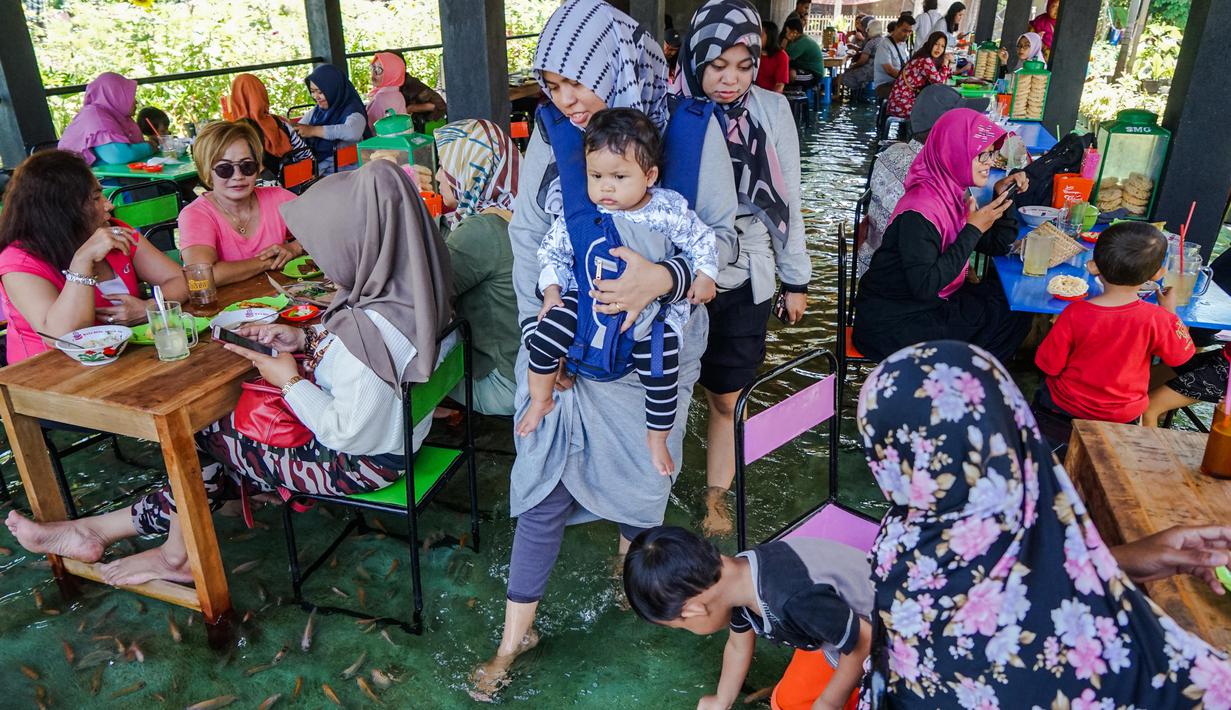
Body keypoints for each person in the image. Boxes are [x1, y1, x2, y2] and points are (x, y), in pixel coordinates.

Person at [4, 160, 455, 587]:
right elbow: (371, 372)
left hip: (360, 465)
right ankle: (104, 532)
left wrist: (289, 381)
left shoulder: (371, 327)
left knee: (199, 436)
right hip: (401, 438)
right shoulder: (412, 293)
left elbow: (345, 432)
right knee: (218, 447)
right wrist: (304, 342)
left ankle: (166, 553)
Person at [470, 0, 738, 699]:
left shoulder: (688, 129)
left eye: (571, 83)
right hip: (565, 359)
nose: (563, 101)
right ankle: (511, 636)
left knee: (642, 488)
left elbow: (728, 247)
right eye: (551, 87)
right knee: (538, 490)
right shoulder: (553, 133)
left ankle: (631, 583)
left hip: (652, 355)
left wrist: (663, 279)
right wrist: (542, 338)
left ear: (611, 65)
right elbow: (529, 238)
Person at [856, 339, 1231, 708]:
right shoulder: (1048, 654)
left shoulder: (902, 536)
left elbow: (1011, 584)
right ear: (1012, 422)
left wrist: (1114, 562)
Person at [517, 108, 719, 476]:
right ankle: (540, 399)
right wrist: (551, 291)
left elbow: (702, 240)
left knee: (661, 366)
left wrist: (705, 274)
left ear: (649, 176)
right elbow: (553, 251)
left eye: (619, 176)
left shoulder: (667, 210)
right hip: (586, 300)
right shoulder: (581, 213)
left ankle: (657, 437)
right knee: (546, 332)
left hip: (649, 314)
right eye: (595, 176)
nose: (605, 187)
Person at [680, 0, 810, 538]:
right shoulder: (673, 111)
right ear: (695, 60)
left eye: (743, 66)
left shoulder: (773, 111)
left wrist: (795, 277)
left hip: (749, 270)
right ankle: (643, 501)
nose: (730, 80)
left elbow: (790, 198)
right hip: (682, 274)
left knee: (727, 394)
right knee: (664, 389)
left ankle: (714, 497)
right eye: (717, 66)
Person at [624, 526, 872, 710]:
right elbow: (737, 645)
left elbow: (863, 640)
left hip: (885, 643)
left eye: (681, 627)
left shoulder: (789, 598)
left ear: (694, 611)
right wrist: (723, 698)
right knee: (784, 703)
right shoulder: (738, 577)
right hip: (834, 630)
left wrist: (829, 703)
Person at [852, 109, 1029, 363]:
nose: (990, 162)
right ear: (955, 152)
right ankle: (960, 387)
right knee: (1001, 319)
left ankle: (966, 382)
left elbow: (997, 244)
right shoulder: (921, 209)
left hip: (924, 305)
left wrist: (1004, 195)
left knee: (1010, 303)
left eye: (991, 154)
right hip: (892, 323)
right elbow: (925, 284)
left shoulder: (952, 193)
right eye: (983, 155)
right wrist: (973, 229)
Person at [0, 150, 188, 364]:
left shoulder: (114, 233)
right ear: (61, 209)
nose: (109, 205)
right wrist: (82, 262)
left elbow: (182, 280)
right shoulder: (19, 261)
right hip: (49, 376)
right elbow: (60, 336)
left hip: (125, 361)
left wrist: (149, 308)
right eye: (96, 198)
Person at [1034, 223, 1194, 440]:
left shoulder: (1075, 313)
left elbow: (1048, 365)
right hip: (1121, 418)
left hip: (1063, 410)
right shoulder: (1159, 319)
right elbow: (1181, 355)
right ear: (1159, 274)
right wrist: (1171, 312)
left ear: (1093, 266)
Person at [434, 118, 522, 417]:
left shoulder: (482, 229)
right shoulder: (516, 210)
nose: (436, 176)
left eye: (444, 169)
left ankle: (423, 415)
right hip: (531, 366)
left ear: (466, 173)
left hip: (503, 383)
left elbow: (426, 287)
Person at [862, 85, 988, 274]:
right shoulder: (938, 176)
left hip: (871, 265)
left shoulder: (890, 152)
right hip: (902, 281)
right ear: (946, 130)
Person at [178, 121, 303, 286]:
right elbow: (201, 276)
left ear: (258, 167)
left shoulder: (279, 198)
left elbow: (328, 230)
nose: (238, 176)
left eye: (247, 166)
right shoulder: (195, 214)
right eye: (225, 169)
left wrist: (294, 248)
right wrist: (266, 262)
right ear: (207, 171)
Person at [223, 74, 314, 180]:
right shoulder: (281, 123)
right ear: (262, 95)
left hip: (254, 191)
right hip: (291, 184)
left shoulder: (232, 133)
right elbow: (306, 155)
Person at [57, 72, 155, 166]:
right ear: (116, 96)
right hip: (78, 180)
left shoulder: (117, 116)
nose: (136, 102)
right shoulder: (96, 117)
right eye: (130, 96)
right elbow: (118, 156)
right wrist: (150, 147)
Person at [295, 64, 371, 175]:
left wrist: (313, 131)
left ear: (333, 89)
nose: (316, 96)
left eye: (320, 92)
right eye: (313, 91)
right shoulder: (317, 111)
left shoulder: (353, 110)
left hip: (348, 174)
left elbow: (352, 132)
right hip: (320, 171)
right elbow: (300, 127)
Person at [886, 32, 953, 120]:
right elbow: (939, 84)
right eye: (936, 44)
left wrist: (948, 65)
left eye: (942, 46)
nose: (939, 49)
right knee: (937, 111)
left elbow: (944, 77)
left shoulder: (924, 56)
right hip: (900, 104)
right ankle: (921, 134)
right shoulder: (925, 61)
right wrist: (945, 63)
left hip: (899, 101)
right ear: (930, 44)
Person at [396, 64, 448, 133]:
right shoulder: (402, 83)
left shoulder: (410, 84)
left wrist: (411, 108)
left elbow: (438, 105)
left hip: (429, 123)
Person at [365, 52, 408, 131]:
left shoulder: (380, 97)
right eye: (373, 67)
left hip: (380, 142)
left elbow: (367, 128)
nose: (373, 74)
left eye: (378, 69)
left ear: (391, 73)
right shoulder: (398, 94)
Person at [839, 19, 883, 96]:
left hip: (870, 71)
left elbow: (862, 61)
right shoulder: (883, 40)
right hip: (879, 71)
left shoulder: (871, 43)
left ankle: (836, 95)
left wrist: (852, 67)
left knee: (844, 75)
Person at [782, 18, 825, 91]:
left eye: (787, 31)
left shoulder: (802, 42)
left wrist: (785, 39)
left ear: (794, 32)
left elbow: (783, 58)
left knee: (789, 75)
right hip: (803, 69)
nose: (785, 34)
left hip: (814, 74)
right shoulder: (797, 41)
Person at [873, 20, 912, 99]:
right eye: (904, 31)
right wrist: (907, 80)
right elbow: (889, 70)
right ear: (896, 28)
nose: (907, 34)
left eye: (910, 32)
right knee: (910, 95)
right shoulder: (884, 45)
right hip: (885, 85)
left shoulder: (902, 44)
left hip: (899, 82)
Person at [755, 22, 789, 93]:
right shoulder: (751, 53)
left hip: (769, 96)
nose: (756, 37)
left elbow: (779, 85)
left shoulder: (781, 56)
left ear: (770, 36)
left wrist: (770, 100)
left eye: (760, 35)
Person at [664, 28, 685, 93]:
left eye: (673, 50)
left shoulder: (678, 59)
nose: (671, 53)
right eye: (669, 49)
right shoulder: (655, 54)